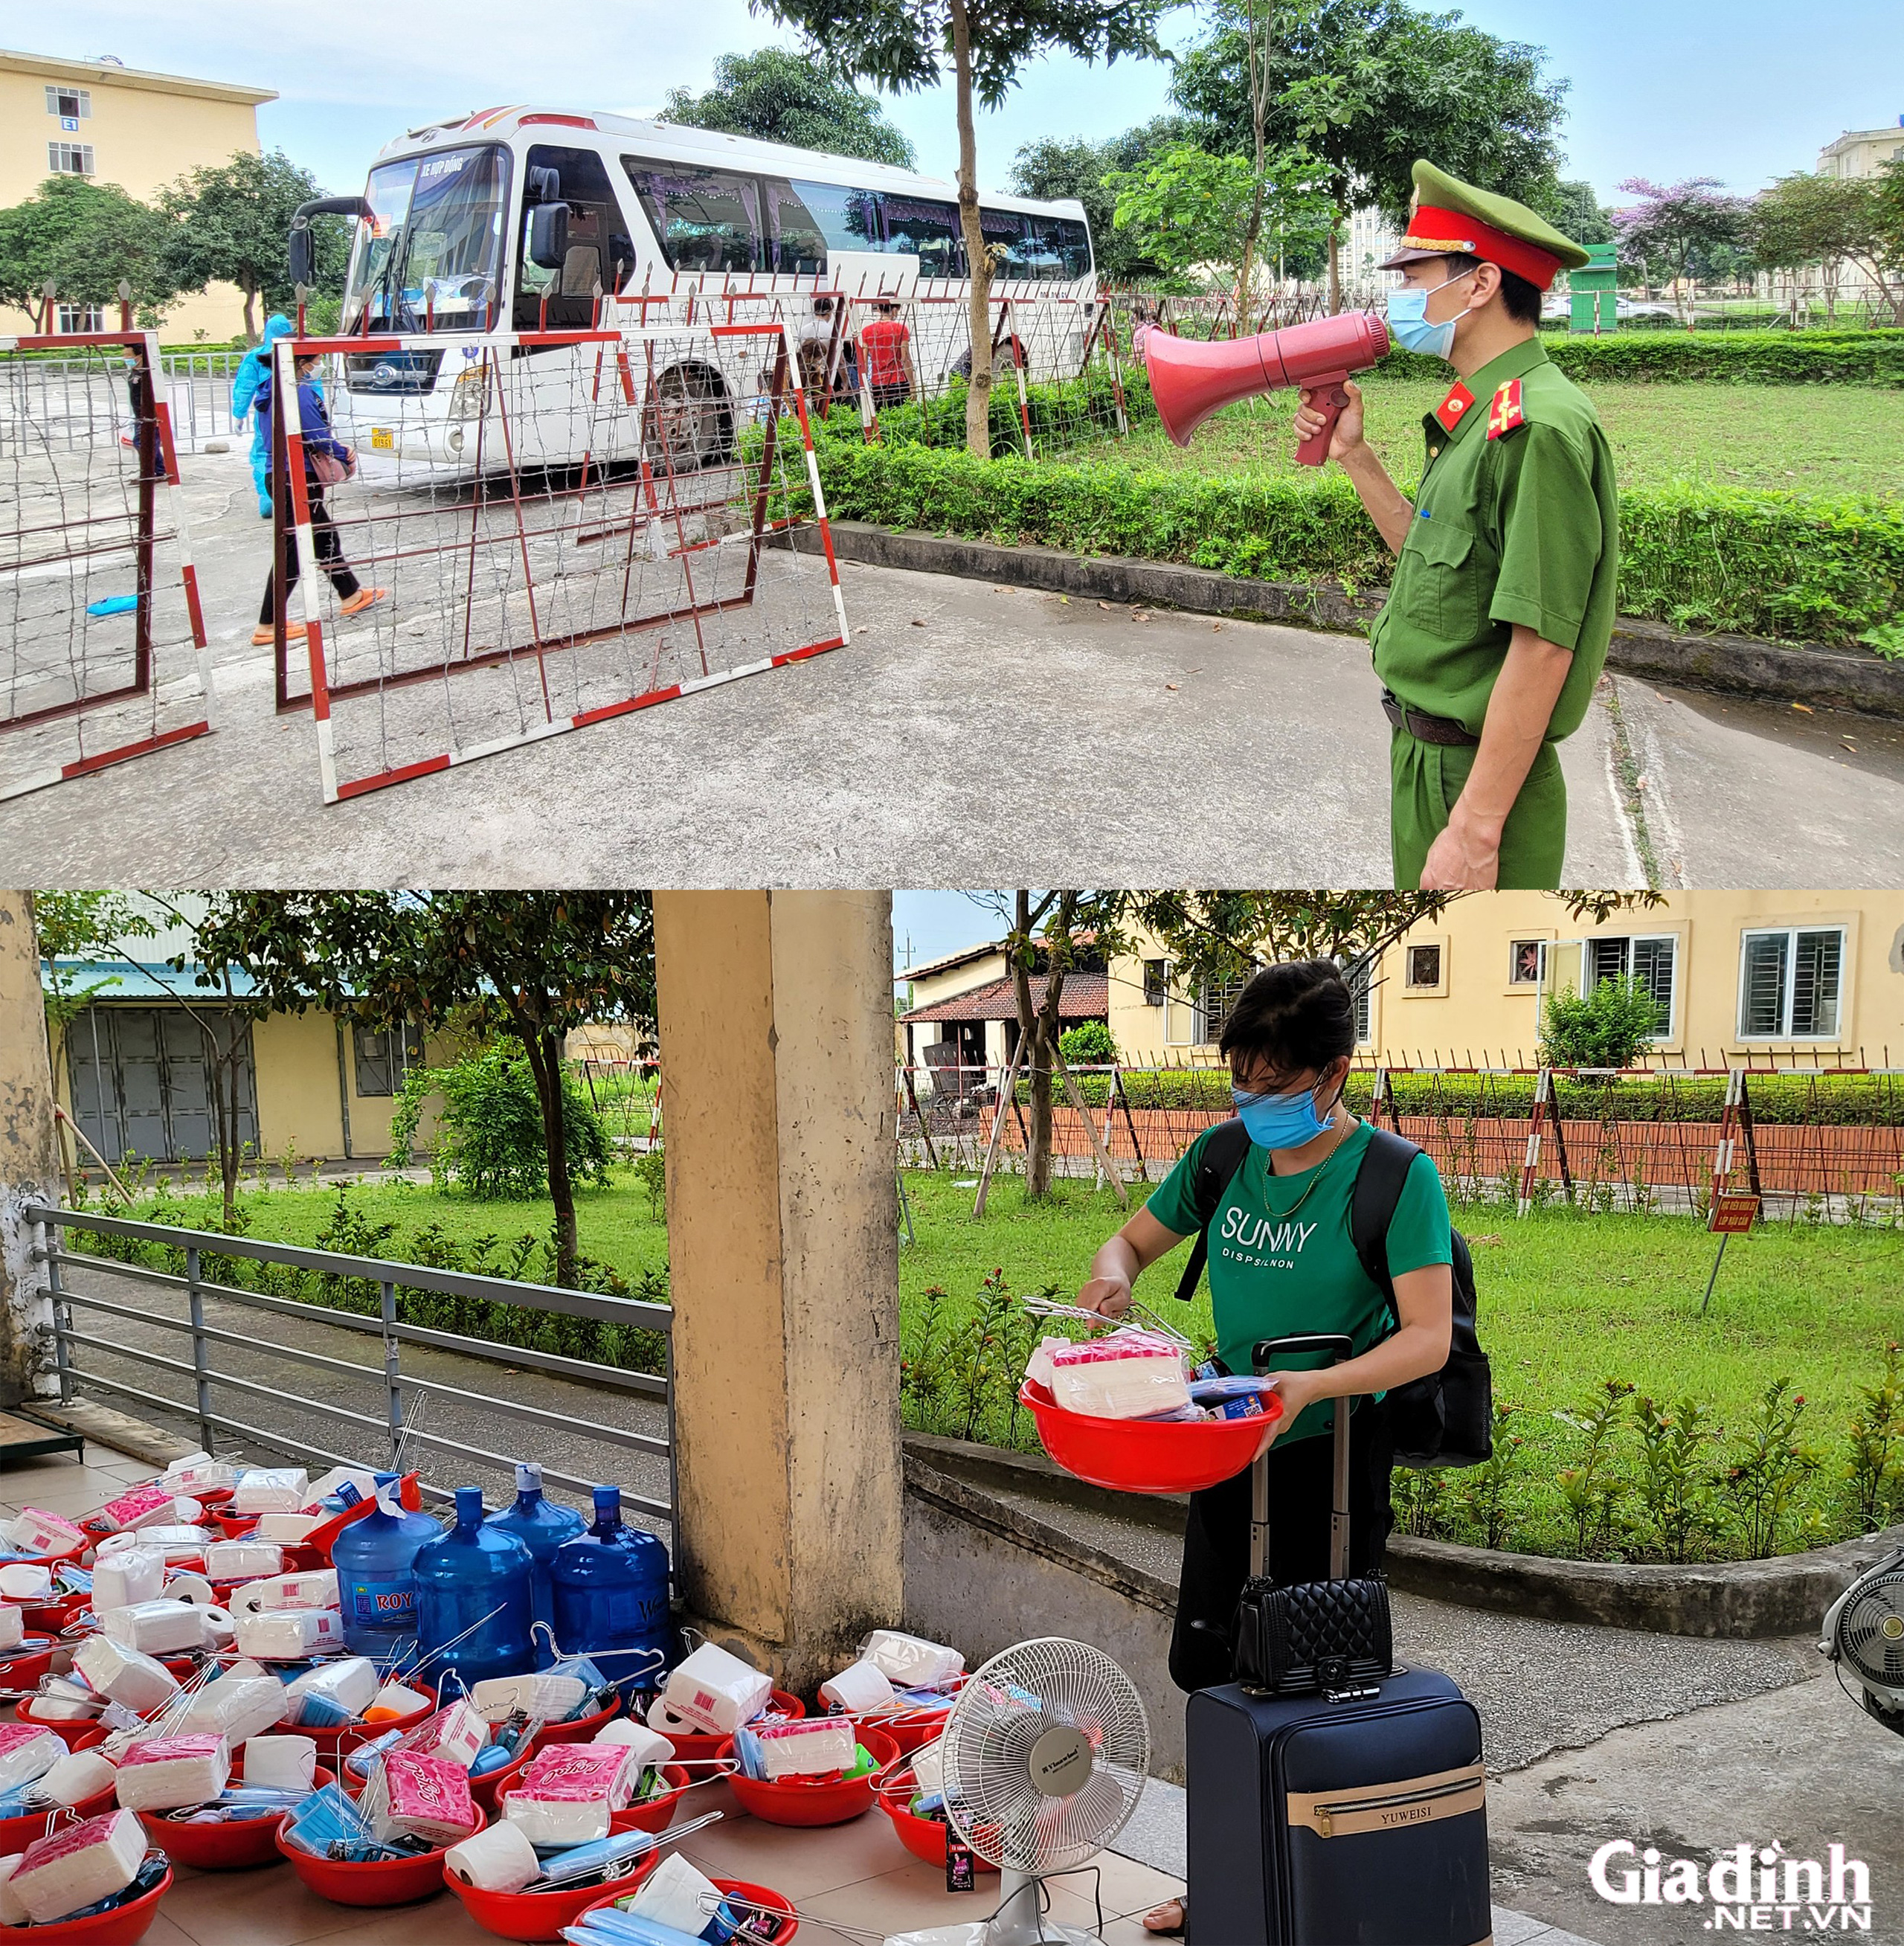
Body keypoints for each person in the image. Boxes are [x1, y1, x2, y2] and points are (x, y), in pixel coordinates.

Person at [1069, 960, 1455, 1940]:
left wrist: (1313, 1385)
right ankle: (1224, 1885)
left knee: (1323, 1679)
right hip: (1228, 1450)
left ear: (1335, 1073)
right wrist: (1112, 1275)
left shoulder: (1395, 1179)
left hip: (1331, 1461)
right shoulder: (1221, 1156)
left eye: (1275, 1086)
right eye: (1239, 1082)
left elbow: (1427, 1337)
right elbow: (1130, 1244)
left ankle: (1315, 1889)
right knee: (1215, 1671)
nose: (1253, 1104)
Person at [1293, 160, 1617, 893]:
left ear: (1478, 284)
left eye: (1415, 277)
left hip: (1472, 781)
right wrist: (1356, 457)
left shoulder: (1535, 427)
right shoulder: (1479, 411)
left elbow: (1541, 647)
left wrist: (1474, 829)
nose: (1400, 296)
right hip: (1429, 760)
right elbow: (1438, 564)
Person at [249, 353, 387, 648]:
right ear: (302, 362)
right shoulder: (296, 391)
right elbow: (314, 433)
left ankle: (350, 594)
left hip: (282, 474)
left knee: (323, 537)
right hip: (295, 477)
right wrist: (340, 451)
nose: (319, 363)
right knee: (294, 549)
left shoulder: (269, 389)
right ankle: (268, 623)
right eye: (317, 358)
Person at [231, 315, 297, 518]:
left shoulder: (257, 356)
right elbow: (315, 386)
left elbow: (245, 387)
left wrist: (238, 414)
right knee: (295, 454)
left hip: (267, 414)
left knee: (263, 455)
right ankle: (295, 499)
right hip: (296, 411)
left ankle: (269, 498)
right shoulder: (296, 351)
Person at [858, 298, 916, 409]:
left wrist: (864, 386)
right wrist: (912, 385)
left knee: (882, 417)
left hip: (877, 383)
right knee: (901, 416)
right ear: (895, 310)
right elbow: (905, 358)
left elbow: (864, 362)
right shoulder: (901, 329)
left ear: (879, 309)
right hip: (898, 381)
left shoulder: (867, 331)